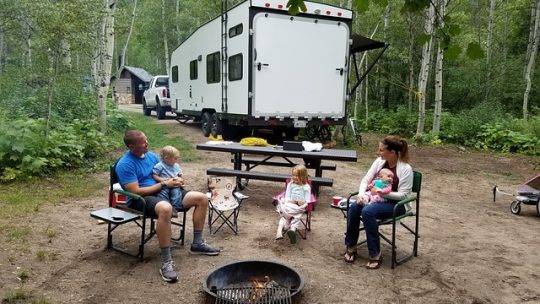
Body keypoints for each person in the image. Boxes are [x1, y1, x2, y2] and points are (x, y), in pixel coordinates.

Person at [115, 130, 220, 283]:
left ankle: (197, 243)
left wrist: (176, 180)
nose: (147, 144)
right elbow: (136, 191)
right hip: (142, 198)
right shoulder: (125, 164)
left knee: (201, 198)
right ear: (131, 146)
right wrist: (164, 183)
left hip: (166, 190)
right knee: (166, 209)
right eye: (143, 142)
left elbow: (163, 170)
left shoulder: (150, 156)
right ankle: (166, 261)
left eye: (147, 139)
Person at [344, 135, 413, 269]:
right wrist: (362, 195)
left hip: (396, 205)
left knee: (367, 211)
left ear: (392, 152)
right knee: (354, 207)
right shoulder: (379, 162)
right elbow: (366, 180)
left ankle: (375, 254)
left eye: (381, 150)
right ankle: (351, 245)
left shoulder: (406, 169)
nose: (378, 152)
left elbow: (404, 196)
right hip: (375, 200)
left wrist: (381, 192)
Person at [275, 165, 311, 244]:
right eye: (293, 175)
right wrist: (291, 201)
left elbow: (307, 201)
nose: (294, 177)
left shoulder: (306, 187)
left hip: (299, 207)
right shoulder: (290, 185)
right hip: (290, 205)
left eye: (297, 175)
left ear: (303, 176)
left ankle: (285, 230)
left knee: (294, 215)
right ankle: (288, 230)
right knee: (288, 212)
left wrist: (300, 202)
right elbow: (287, 197)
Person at [152, 146, 184, 210]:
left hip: (174, 184)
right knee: (162, 194)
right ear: (166, 158)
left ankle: (175, 208)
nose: (176, 160)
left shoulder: (176, 165)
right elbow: (154, 175)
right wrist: (162, 180)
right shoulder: (160, 165)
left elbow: (179, 175)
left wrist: (180, 179)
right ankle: (167, 206)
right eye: (175, 158)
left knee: (177, 193)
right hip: (164, 185)